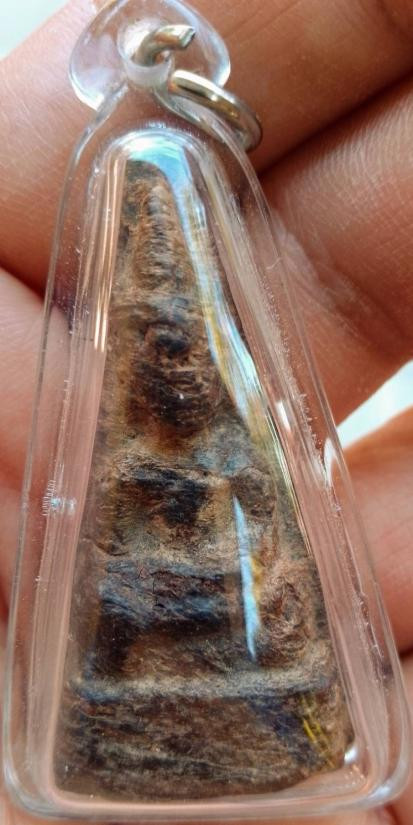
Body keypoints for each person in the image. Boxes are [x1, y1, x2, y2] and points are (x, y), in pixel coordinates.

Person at [0, 0, 412, 822]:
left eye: (179, 349)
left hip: (257, 678)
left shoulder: (232, 452)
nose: (175, 369)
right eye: (159, 346)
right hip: (126, 686)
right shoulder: (127, 462)